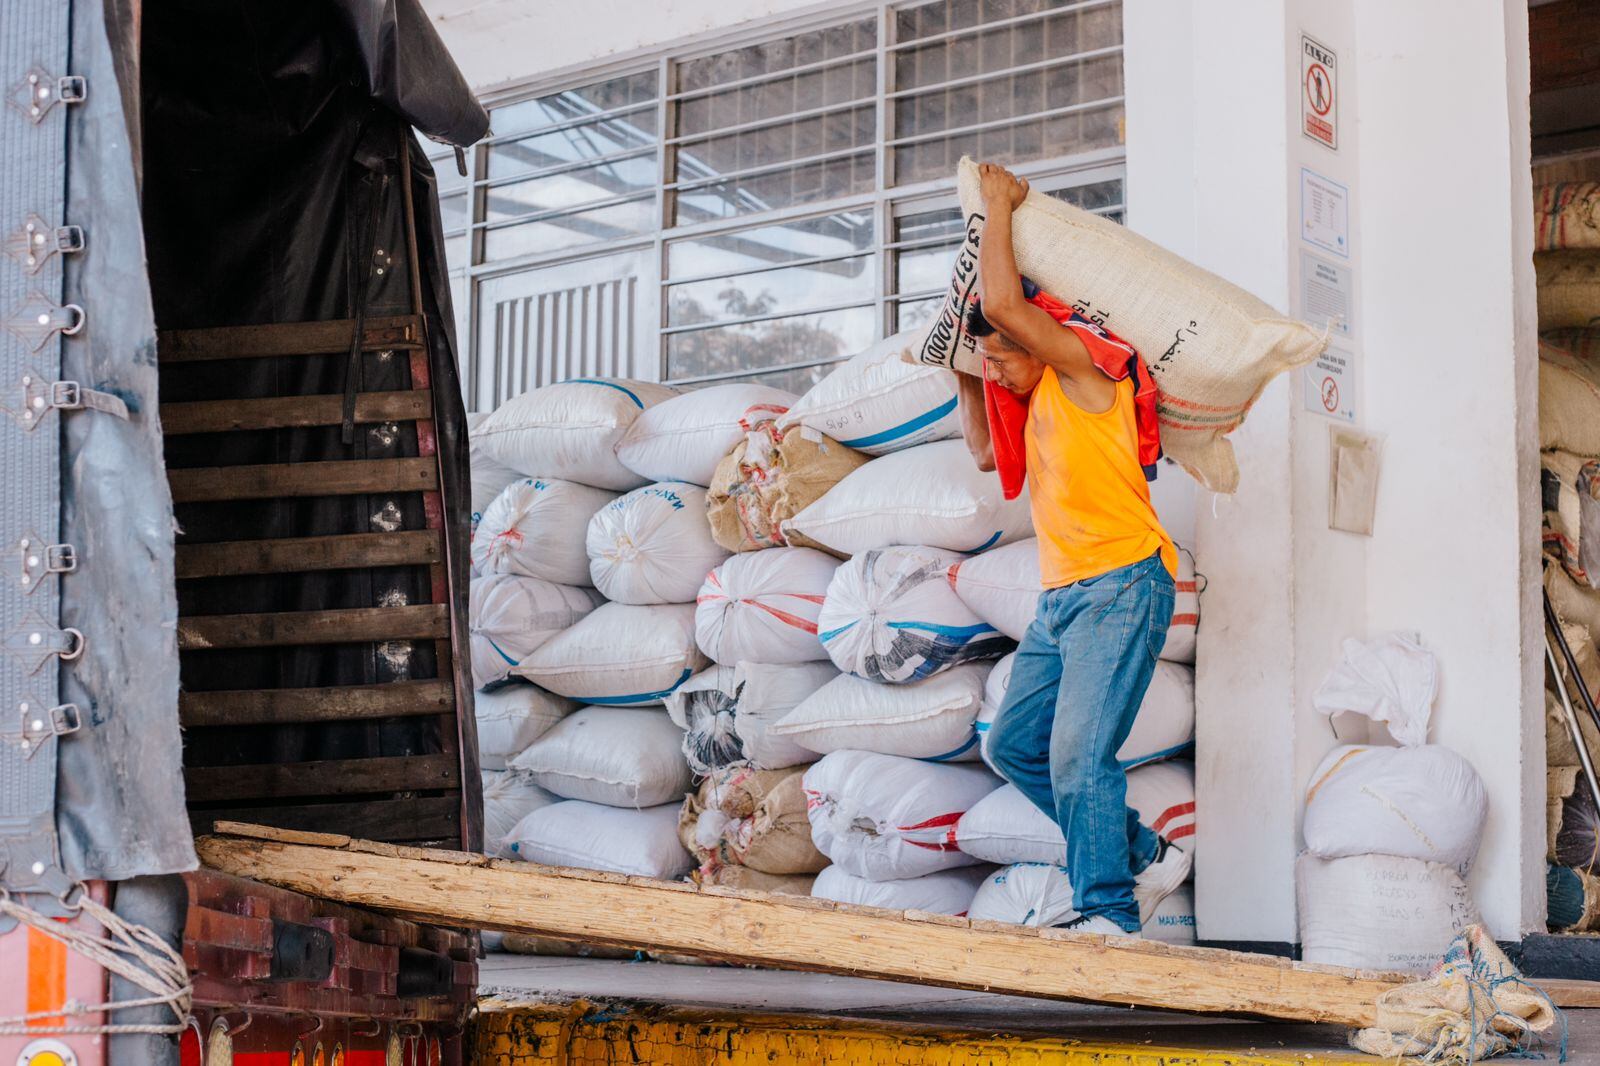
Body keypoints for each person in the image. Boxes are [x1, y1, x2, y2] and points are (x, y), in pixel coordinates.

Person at [956, 161, 1190, 937]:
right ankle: (1144, 853)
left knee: (1079, 758)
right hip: (1064, 599)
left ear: (1040, 338)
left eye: (1004, 354)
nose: (997, 370)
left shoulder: (1088, 377)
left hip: (1123, 582)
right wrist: (962, 365)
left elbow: (1003, 305)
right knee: (1017, 746)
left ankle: (1109, 916)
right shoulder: (1029, 403)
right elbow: (982, 453)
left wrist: (997, 205)